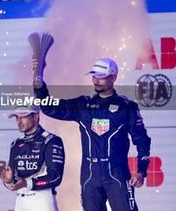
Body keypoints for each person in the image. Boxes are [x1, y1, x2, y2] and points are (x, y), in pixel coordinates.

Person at [31, 58, 151, 211]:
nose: (95, 80)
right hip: (89, 175)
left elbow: (142, 140)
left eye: (100, 76)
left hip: (116, 173)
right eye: (94, 76)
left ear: (113, 77)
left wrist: (141, 171)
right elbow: (49, 108)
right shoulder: (82, 105)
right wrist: (38, 82)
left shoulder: (126, 107)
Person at [0, 105, 65, 211]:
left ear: (35, 117)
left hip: (42, 201)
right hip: (20, 201)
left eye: (22, 116)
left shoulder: (51, 140)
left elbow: (55, 177)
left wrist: (27, 183)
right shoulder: (15, 144)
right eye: (16, 117)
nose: (18, 121)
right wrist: (8, 181)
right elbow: (15, 182)